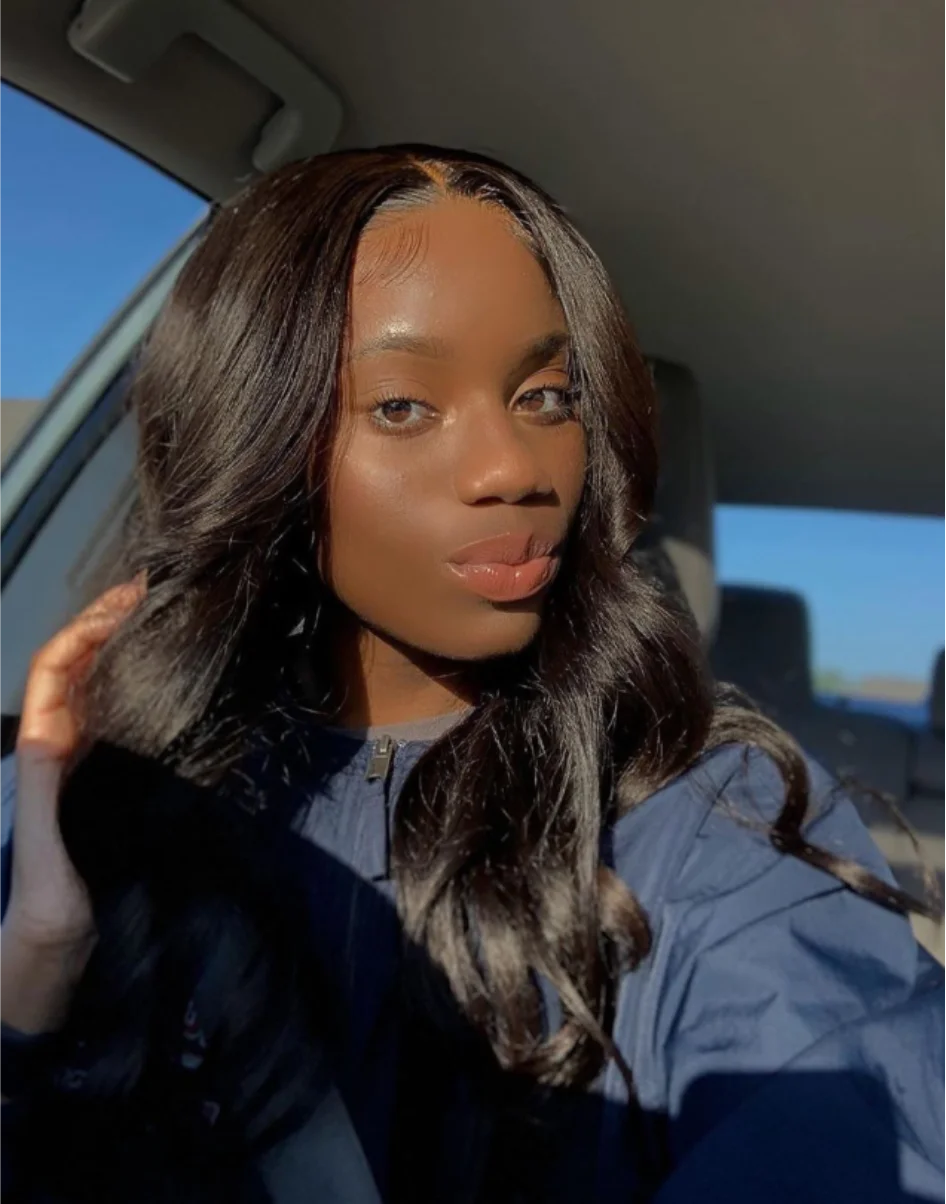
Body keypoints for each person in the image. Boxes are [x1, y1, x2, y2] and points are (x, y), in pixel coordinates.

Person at [0, 145, 944, 1203]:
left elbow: (844, 1102)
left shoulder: (708, 822)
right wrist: (33, 972)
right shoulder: (109, 797)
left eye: (546, 396)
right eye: (403, 406)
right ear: (256, 438)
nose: (515, 468)